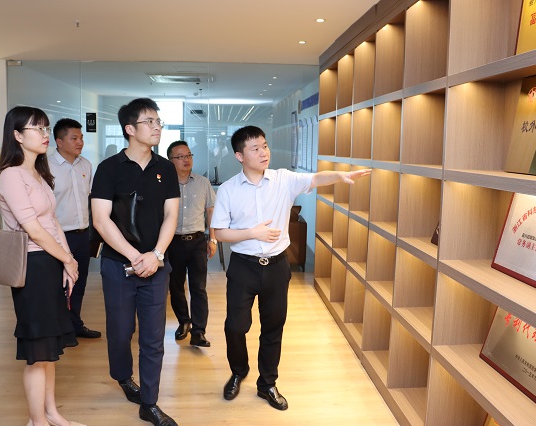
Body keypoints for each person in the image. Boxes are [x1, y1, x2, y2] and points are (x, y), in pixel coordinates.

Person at [211, 125, 371, 411]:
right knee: (235, 326)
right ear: (239, 156)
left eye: (265, 145)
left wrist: (339, 176)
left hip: (276, 266)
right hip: (243, 267)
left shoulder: (283, 179)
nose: (264, 152)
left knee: (273, 327)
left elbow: (315, 178)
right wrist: (253, 233)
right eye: (255, 148)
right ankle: (238, 371)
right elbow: (220, 233)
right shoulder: (228, 190)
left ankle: (267, 384)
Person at [0, 106, 85, 426]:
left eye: (46, 128)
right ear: (17, 136)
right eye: (38, 129)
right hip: (32, 266)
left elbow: (53, 221)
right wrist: (66, 258)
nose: (45, 135)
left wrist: (68, 261)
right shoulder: (11, 175)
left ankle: (51, 414)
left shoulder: (38, 173)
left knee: (49, 347)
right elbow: (33, 229)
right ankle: (37, 420)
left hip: (50, 262)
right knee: (37, 351)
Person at [91, 98, 179, 426]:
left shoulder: (165, 168)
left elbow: (171, 215)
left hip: (156, 266)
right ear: (130, 129)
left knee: (153, 337)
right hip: (118, 265)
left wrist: (156, 255)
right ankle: (123, 376)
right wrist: (134, 256)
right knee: (120, 331)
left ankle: (150, 403)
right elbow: (101, 219)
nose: (157, 127)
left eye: (159, 121)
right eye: (149, 122)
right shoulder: (109, 169)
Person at [48, 118, 101, 339]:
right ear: (59, 142)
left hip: (82, 235)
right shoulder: (46, 167)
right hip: (57, 237)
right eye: (74, 138)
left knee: (78, 283)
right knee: (59, 285)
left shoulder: (85, 165)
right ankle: (59, 330)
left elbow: (90, 199)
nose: (80, 142)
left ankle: (75, 325)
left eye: (81, 138)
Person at [166, 140, 217, 347]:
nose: (186, 159)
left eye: (188, 155)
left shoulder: (203, 183)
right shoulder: (165, 184)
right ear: (171, 161)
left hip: (197, 242)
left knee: (199, 288)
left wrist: (212, 238)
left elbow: (211, 211)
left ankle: (199, 331)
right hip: (173, 242)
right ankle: (184, 321)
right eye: (180, 156)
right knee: (176, 286)